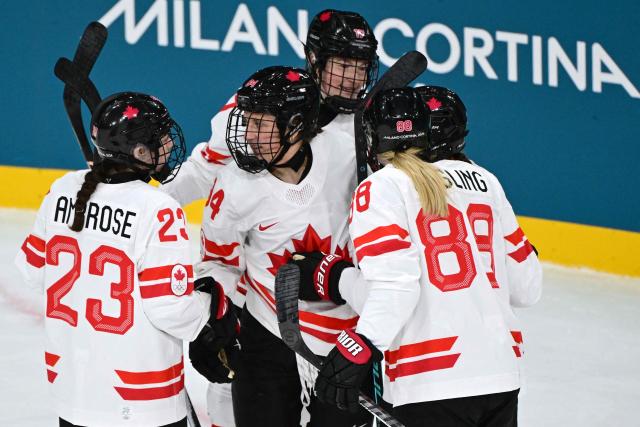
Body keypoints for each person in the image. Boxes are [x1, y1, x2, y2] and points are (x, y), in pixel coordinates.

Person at [159, 9, 378, 426]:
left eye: (360, 65)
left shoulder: (369, 126)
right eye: (341, 63)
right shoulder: (256, 117)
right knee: (231, 385)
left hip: (346, 319)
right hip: (268, 316)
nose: (352, 78)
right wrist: (142, 208)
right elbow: (203, 172)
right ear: (313, 60)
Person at [287, 86, 542, 426]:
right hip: (501, 374)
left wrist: (337, 282)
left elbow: (396, 289)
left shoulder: (381, 188)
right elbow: (527, 288)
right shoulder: (487, 182)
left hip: (429, 377)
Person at [14, 92, 236, 427]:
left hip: (72, 391)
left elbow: (32, 272)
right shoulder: (158, 209)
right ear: (139, 152)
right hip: (141, 398)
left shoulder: (61, 189)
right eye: (159, 138)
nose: (167, 144)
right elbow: (170, 309)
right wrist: (213, 307)